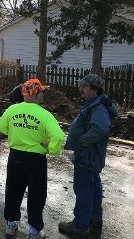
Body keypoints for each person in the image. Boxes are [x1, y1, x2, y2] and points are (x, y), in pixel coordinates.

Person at [0, 78, 65, 238]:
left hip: (15, 158)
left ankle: (11, 224)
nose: (42, 95)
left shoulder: (12, 110)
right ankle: (34, 231)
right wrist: (52, 149)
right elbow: (58, 136)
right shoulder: (45, 115)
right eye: (42, 92)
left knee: (13, 190)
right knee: (36, 194)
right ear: (37, 95)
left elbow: (1, 127)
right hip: (36, 160)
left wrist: (16, 134)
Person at [58, 74, 118, 239]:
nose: (81, 89)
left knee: (83, 189)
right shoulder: (95, 103)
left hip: (88, 156)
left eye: (84, 86)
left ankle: (80, 226)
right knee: (94, 186)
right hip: (92, 157)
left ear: (94, 89)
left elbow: (101, 128)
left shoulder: (97, 107)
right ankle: (94, 218)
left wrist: (82, 142)